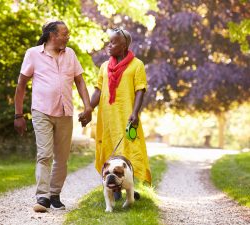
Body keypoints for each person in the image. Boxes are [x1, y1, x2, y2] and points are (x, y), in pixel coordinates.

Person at [14, 20, 92, 212]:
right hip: (41, 111)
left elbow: (80, 82)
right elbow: (21, 84)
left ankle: (54, 194)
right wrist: (18, 114)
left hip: (65, 112)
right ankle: (42, 196)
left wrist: (88, 106)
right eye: (64, 34)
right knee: (45, 154)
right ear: (52, 36)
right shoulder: (33, 54)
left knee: (62, 157)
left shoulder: (70, 54)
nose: (68, 37)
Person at [81, 28, 151, 199]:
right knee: (109, 149)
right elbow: (98, 90)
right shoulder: (105, 67)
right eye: (109, 41)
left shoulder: (137, 65)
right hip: (107, 117)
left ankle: (127, 186)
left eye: (113, 42)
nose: (109, 45)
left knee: (129, 150)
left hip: (127, 115)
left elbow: (140, 90)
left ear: (124, 44)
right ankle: (114, 187)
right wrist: (88, 109)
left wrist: (135, 112)